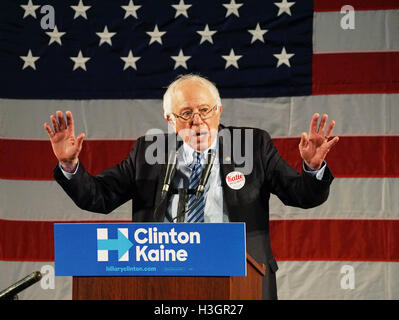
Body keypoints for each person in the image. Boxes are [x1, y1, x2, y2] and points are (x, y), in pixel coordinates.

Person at [44, 74, 339, 299]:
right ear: (170, 120)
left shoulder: (253, 145)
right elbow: (100, 197)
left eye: (205, 110)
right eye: (186, 113)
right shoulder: (148, 152)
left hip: (240, 277)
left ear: (219, 111)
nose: (198, 121)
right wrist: (70, 166)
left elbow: (300, 194)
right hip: (163, 278)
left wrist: (312, 168)